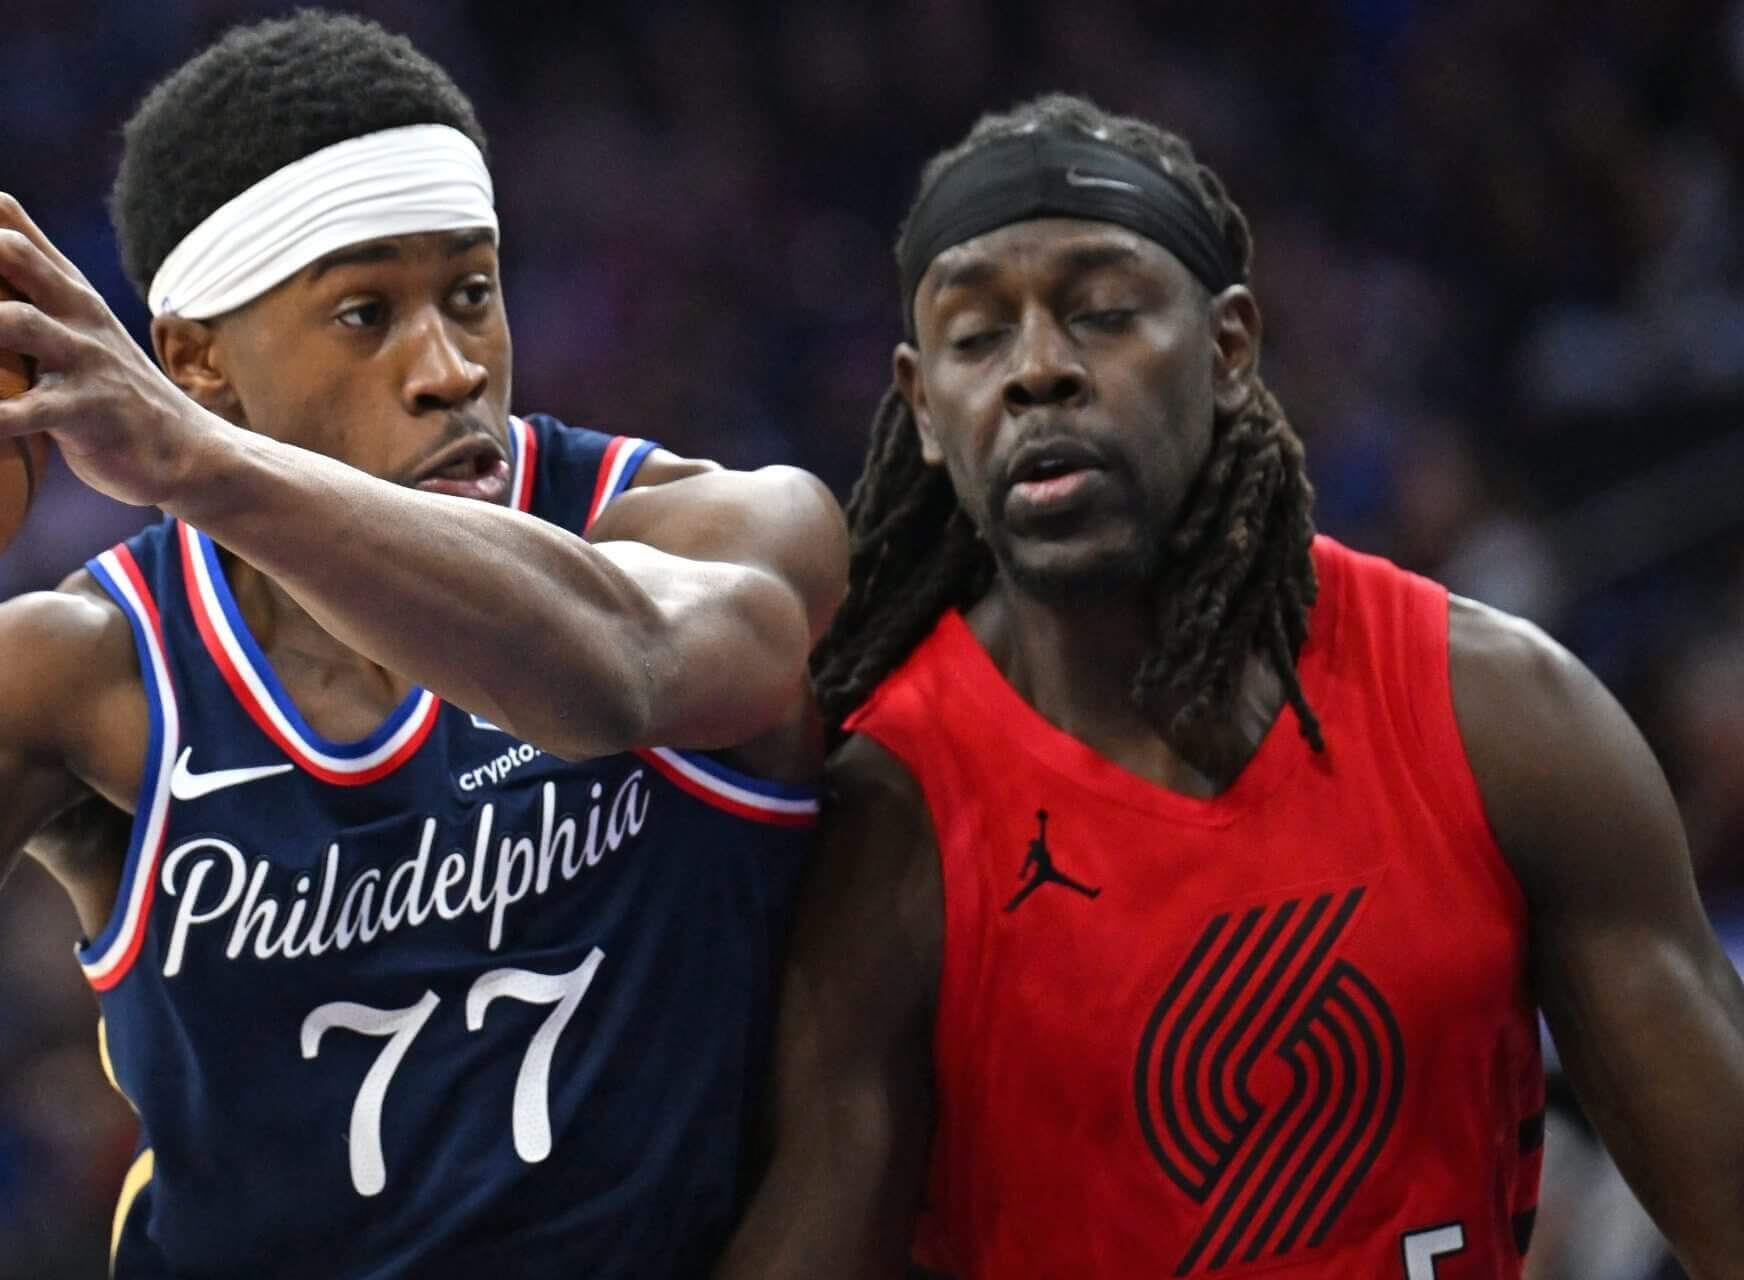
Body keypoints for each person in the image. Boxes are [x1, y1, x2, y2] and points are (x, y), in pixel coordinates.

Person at [0, 12, 844, 1278]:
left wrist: (201, 466)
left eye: (474, 294)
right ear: (195, 361)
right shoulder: (79, 672)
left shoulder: (713, 527)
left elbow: (623, 675)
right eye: (365, 313)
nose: (448, 366)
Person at [718, 94, 1744, 1279]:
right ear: (924, 411)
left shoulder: (1500, 711)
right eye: (976, 336)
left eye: (1101, 313)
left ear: (1229, 345)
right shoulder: (889, 822)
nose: (1039, 369)